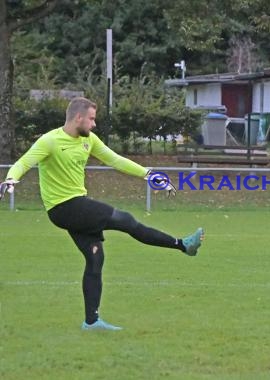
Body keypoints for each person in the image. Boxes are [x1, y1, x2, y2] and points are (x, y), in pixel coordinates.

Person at [0, 97, 205, 331]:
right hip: (63, 207)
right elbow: (23, 162)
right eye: (91, 119)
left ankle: (92, 322)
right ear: (78, 117)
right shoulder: (50, 141)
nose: (94, 124)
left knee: (95, 259)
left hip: (77, 206)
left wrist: (147, 174)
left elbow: (115, 160)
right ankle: (182, 245)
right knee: (125, 220)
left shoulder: (89, 140)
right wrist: (10, 178)